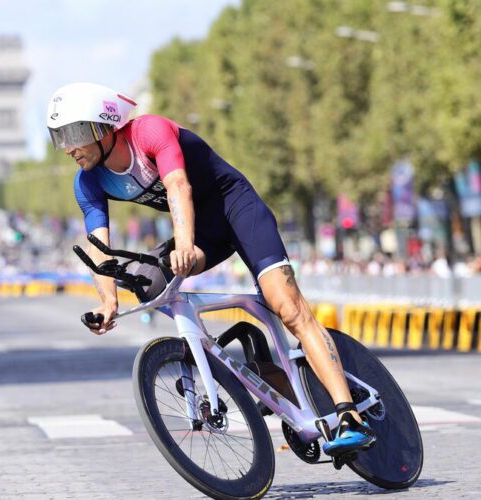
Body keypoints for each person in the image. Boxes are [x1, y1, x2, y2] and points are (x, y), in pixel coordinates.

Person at [47, 82, 374, 456]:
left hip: (238, 212)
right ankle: (244, 363)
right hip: (203, 233)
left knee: (287, 306)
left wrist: (184, 245)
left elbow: (178, 185)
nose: (69, 148)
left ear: (104, 126)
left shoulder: (148, 131)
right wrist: (108, 300)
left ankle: (349, 415)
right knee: (148, 281)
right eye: (60, 138)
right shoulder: (87, 182)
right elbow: (99, 248)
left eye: (74, 134)